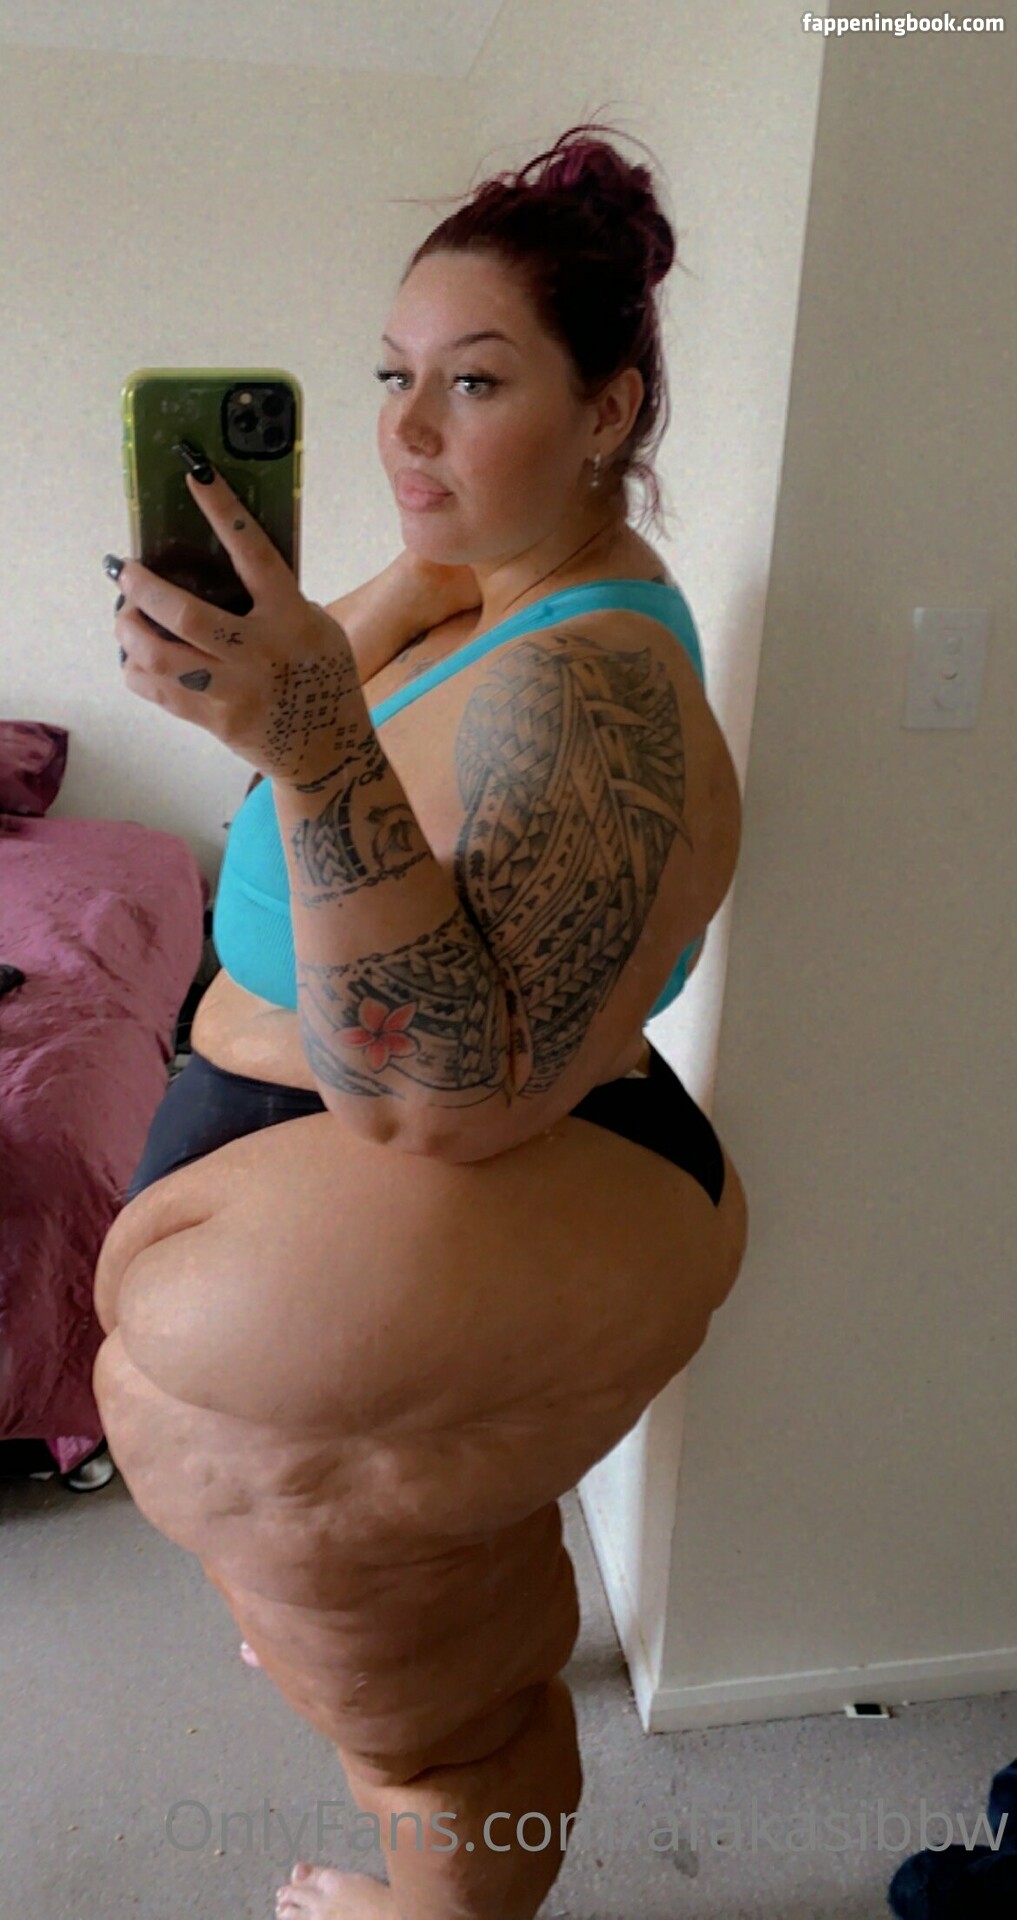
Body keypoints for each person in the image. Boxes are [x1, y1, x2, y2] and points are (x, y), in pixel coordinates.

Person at [93, 122, 749, 1920]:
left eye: (475, 382)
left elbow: (445, 1101)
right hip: (363, 1202)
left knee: (447, 1734)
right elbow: (322, 721)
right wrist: (260, 679)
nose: (405, 433)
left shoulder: (590, 687)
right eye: (391, 376)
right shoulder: (471, 584)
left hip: (465, 1155)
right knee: (430, 1606)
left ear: (608, 411)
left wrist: (312, 745)